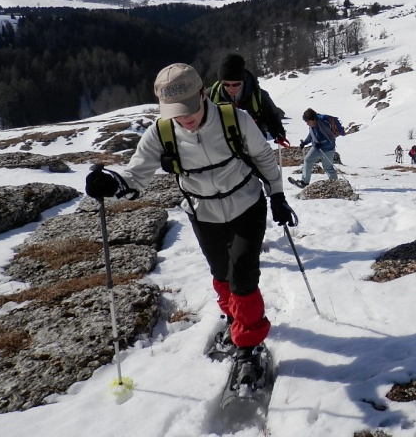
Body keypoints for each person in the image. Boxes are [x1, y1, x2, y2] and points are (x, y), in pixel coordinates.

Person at [84, 63, 295, 389]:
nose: (185, 118)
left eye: (190, 109)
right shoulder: (161, 131)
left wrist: (278, 195)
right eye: (176, 112)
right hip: (203, 212)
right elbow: (136, 175)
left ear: (202, 93)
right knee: (221, 274)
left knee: (242, 275)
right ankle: (234, 318)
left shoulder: (234, 119)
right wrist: (110, 183)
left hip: (247, 206)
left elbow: (264, 157)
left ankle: (248, 346)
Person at [210, 53, 289, 146]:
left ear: (243, 80)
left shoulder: (259, 96)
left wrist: (278, 133)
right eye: (226, 84)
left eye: (236, 84)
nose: (230, 89)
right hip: (225, 145)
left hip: (253, 143)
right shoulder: (212, 95)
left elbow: (271, 116)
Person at [297, 108, 339, 186]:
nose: (307, 124)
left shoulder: (323, 125)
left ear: (313, 119)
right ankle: (304, 182)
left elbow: (330, 139)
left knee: (328, 167)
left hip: (328, 149)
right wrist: (305, 142)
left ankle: (335, 184)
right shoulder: (313, 125)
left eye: (308, 121)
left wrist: (321, 143)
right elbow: (311, 135)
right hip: (316, 147)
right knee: (308, 160)